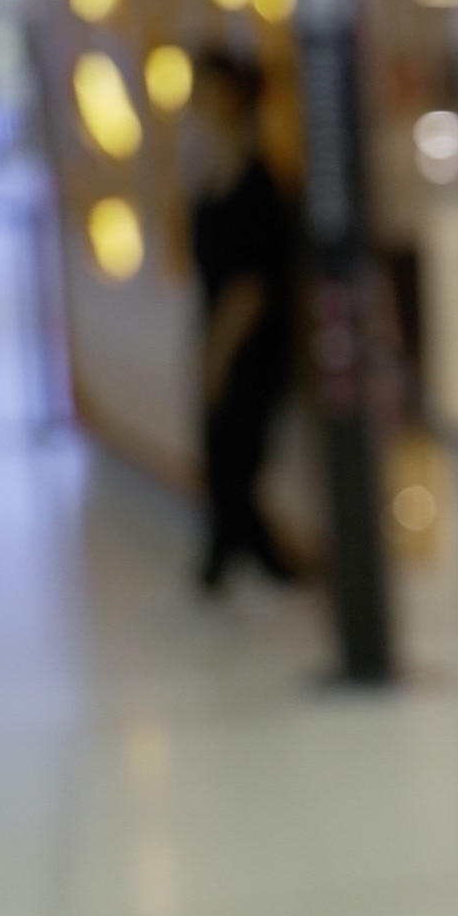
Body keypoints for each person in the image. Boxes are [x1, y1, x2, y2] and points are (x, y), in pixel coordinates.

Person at [185, 49, 298, 591]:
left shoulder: (258, 180)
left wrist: (219, 353)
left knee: (236, 451)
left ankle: (241, 557)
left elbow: (251, 285)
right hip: (218, 332)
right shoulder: (215, 171)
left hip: (248, 342)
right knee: (221, 450)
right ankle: (245, 554)